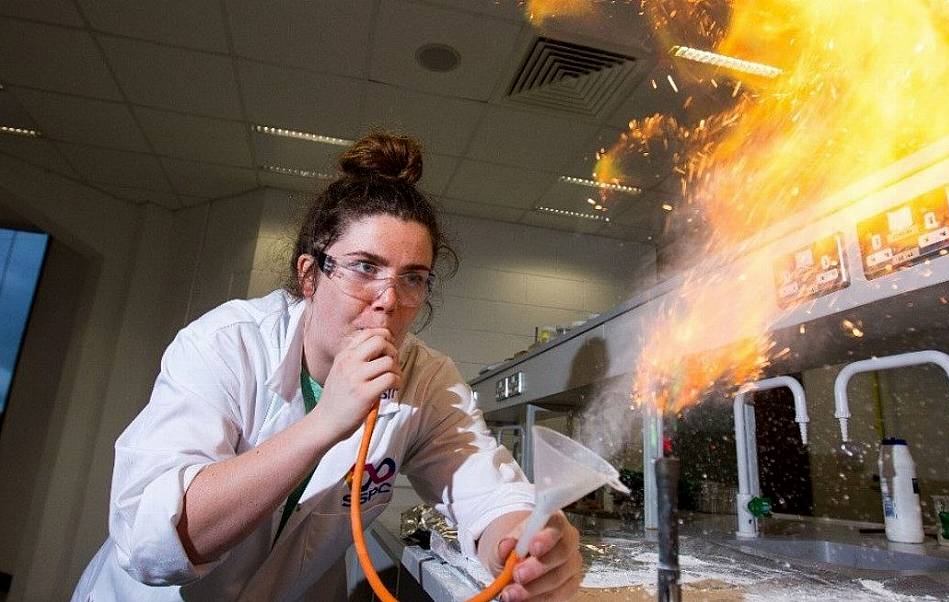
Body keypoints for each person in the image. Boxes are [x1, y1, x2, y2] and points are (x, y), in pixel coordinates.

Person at [72, 132, 582, 601]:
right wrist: (324, 423)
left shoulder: (427, 380)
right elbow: (151, 546)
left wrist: (523, 543)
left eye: (413, 278)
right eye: (365, 267)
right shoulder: (227, 345)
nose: (388, 300)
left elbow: (486, 493)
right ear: (310, 275)